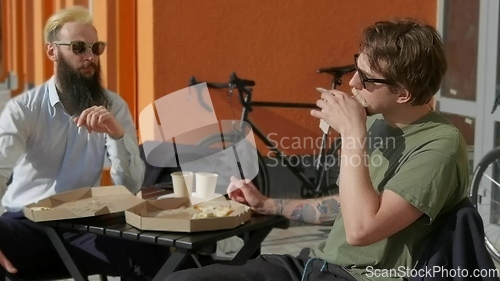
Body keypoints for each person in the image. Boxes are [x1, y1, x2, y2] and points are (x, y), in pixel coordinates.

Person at [165, 18, 470, 281]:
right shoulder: (382, 124)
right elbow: (348, 204)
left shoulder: (439, 147)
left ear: (402, 93)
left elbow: (361, 229)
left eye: (365, 78)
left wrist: (352, 133)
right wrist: (270, 205)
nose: (352, 82)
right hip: (315, 266)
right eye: (356, 67)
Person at [0, 6, 168, 280]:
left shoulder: (114, 106)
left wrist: (116, 135)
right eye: (78, 47)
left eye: (95, 48)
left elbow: (131, 187)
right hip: (28, 223)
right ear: (52, 52)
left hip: (85, 226)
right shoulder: (24, 109)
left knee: (155, 254)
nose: (90, 57)